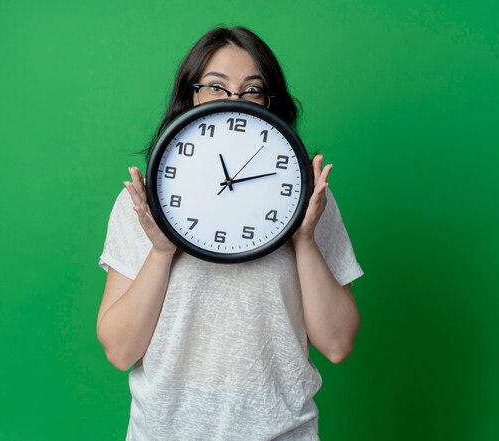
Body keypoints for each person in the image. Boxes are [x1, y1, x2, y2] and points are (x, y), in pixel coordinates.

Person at [97, 26, 364, 441]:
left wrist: (305, 240)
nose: (234, 103)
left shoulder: (306, 200)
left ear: (270, 104)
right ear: (192, 95)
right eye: (217, 88)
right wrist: (161, 251)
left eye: (252, 90)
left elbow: (337, 344)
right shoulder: (143, 203)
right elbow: (120, 350)